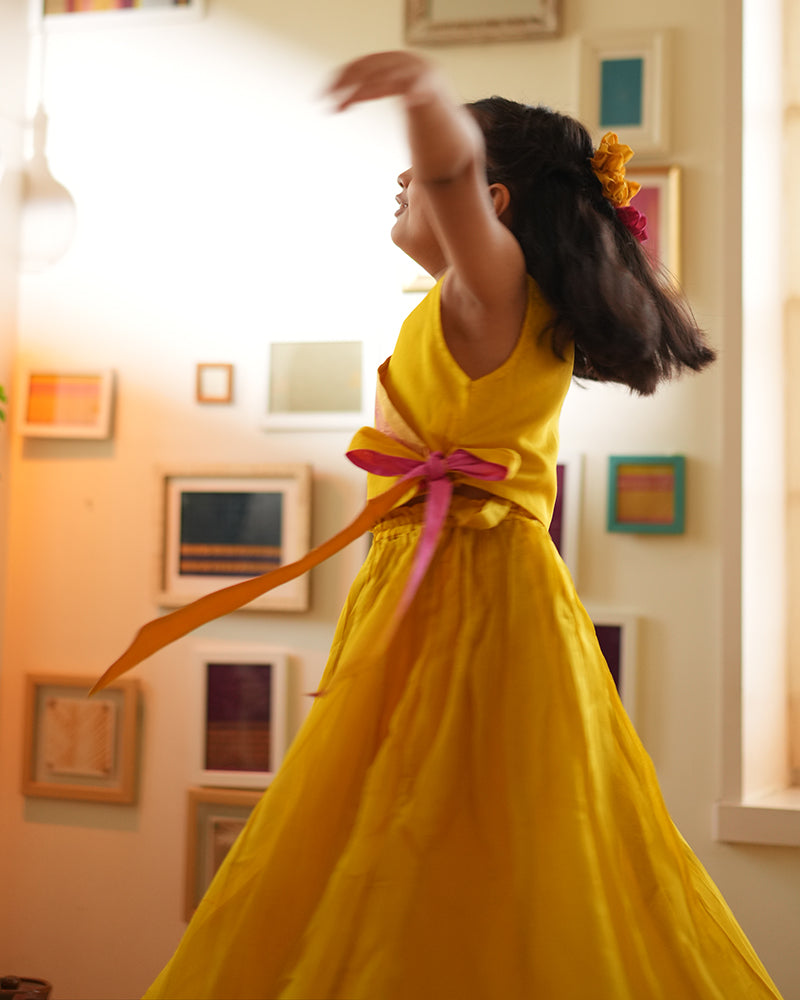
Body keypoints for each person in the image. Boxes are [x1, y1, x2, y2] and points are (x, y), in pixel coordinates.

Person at [97, 50, 783, 999]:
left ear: (490, 204)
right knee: (422, 827)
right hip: (447, 585)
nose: (404, 183)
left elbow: (451, 171)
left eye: (416, 177)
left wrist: (424, 99)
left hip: (471, 597)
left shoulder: (487, 294)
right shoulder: (481, 308)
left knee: (432, 832)